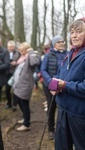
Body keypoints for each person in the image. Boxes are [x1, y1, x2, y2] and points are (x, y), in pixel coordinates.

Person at [48, 18, 85, 149]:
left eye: (79, 31)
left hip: (79, 114)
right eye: (72, 32)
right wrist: (54, 83)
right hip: (63, 109)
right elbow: (59, 73)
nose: (74, 35)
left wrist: (64, 85)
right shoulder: (70, 53)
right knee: (61, 146)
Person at [40, 35, 67, 140]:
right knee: (51, 108)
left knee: (62, 108)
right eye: (59, 42)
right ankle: (51, 130)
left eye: (62, 41)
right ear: (54, 44)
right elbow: (43, 70)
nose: (61, 43)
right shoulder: (48, 55)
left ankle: (62, 130)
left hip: (62, 85)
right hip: (49, 86)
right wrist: (51, 82)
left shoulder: (67, 54)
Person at [12, 42, 40, 131]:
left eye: (22, 50)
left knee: (24, 103)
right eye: (19, 50)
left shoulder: (32, 56)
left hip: (26, 84)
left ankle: (26, 124)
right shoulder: (22, 57)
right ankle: (25, 117)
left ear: (27, 49)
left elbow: (34, 63)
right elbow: (15, 59)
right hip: (19, 84)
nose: (20, 52)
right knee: (19, 101)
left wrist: (31, 51)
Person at [5, 40, 20, 110]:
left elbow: (21, 61)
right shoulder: (5, 53)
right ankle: (9, 103)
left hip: (15, 73)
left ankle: (14, 104)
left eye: (11, 47)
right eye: (9, 47)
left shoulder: (18, 53)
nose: (10, 48)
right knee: (7, 89)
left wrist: (16, 62)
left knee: (15, 89)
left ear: (14, 47)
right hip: (7, 73)